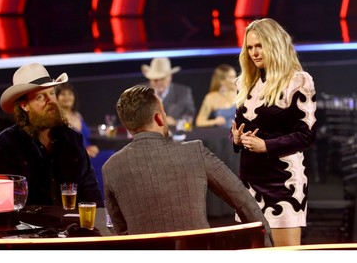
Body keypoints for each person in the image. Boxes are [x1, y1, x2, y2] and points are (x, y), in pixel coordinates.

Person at [102, 85, 274, 247]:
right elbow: (244, 201)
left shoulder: (111, 168)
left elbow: (121, 231)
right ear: (158, 118)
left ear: (127, 125)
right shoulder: (195, 152)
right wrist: (266, 247)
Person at [230, 18, 317, 246]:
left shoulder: (297, 81)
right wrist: (237, 138)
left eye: (260, 46)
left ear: (275, 44)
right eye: (250, 47)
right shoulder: (244, 82)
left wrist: (266, 146)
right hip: (249, 182)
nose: (254, 53)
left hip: (283, 181)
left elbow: (306, 135)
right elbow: (240, 128)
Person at [0, 62, 103, 207]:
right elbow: (2, 200)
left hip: (73, 226)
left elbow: (90, 188)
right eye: (40, 97)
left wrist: (99, 223)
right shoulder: (6, 144)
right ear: (24, 105)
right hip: (28, 227)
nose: (51, 101)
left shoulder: (73, 138)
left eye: (51, 93)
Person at [55, 82, 115, 199]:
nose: (67, 97)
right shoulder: (58, 118)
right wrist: (84, 151)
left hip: (89, 153)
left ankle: (111, 199)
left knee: (111, 156)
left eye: (70, 93)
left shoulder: (77, 115)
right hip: (76, 156)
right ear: (56, 98)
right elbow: (63, 143)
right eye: (63, 94)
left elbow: (85, 137)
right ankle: (101, 201)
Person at [141, 57, 196, 126]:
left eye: (162, 78)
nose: (159, 82)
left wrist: (176, 122)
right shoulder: (140, 93)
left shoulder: (183, 92)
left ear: (170, 77)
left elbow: (189, 122)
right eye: (155, 79)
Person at [195, 64, 237, 129]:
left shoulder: (240, 94)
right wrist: (215, 121)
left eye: (235, 76)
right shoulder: (211, 97)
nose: (235, 79)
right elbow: (199, 122)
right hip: (223, 136)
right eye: (231, 77)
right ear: (221, 81)